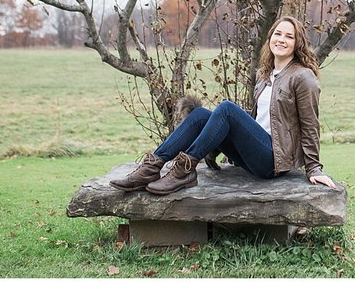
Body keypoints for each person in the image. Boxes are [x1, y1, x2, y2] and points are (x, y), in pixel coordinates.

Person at [110, 15, 337, 195]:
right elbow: (258, 121)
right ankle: (151, 168)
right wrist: (215, 143)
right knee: (199, 115)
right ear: (270, 38)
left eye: (289, 36)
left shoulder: (302, 77)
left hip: (273, 160)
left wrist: (313, 168)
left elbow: (310, 126)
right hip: (253, 153)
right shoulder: (265, 74)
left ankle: (184, 171)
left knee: (227, 109)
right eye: (277, 34)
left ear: (297, 44)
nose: (281, 39)